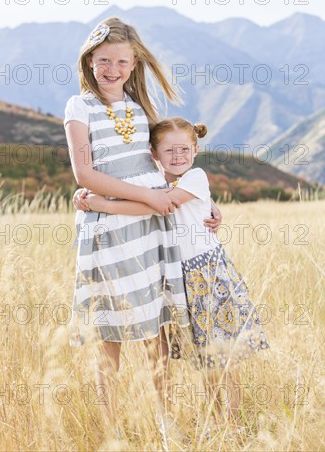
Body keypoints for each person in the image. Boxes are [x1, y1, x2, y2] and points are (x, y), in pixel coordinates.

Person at [64, 18, 220, 437]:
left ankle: (166, 425)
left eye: (121, 61)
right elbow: (85, 173)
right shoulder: (80, 107)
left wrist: (205, 202)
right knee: (109, 333)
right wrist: (147, 200)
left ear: (134, 66)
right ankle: (112, 430)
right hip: (111, 229)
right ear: (89, 61)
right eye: (103, 61)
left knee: (157, 330)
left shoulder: (139, 109)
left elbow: (165, 168)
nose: (111, 69)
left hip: (153, 231)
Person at [77, 117, 271, 434]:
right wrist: (87, 195)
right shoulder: (153, 181)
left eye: (184, 149)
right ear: (154, 153)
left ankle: (232, 423)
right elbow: (146, 195)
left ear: (195, 150)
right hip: (178, 280)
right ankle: (215, 419)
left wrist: (97, 203)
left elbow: (160, 205)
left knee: (222, 355)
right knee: (202, 357)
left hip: (206, 275)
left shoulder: (195, 176)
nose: (177, 156)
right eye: (169, 150)